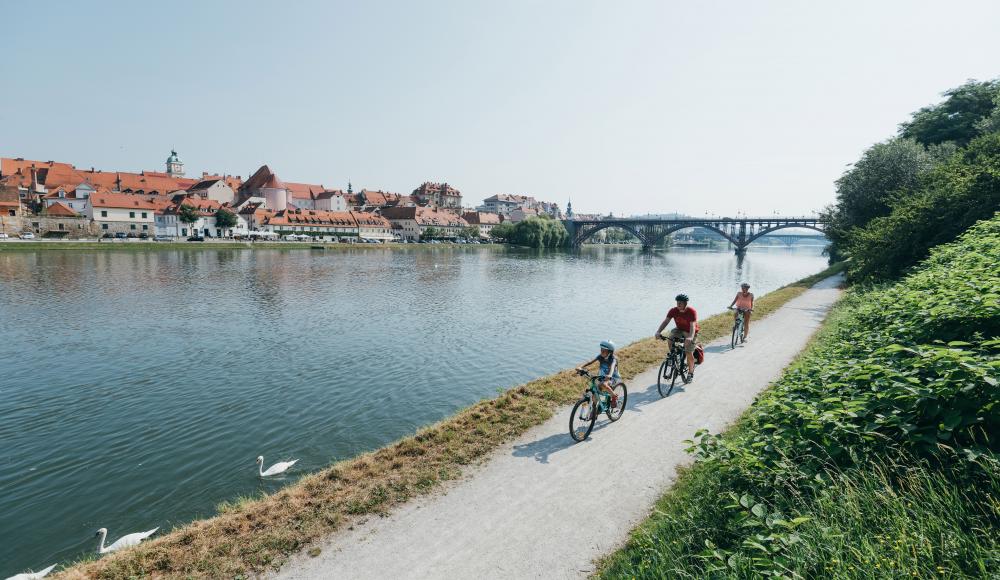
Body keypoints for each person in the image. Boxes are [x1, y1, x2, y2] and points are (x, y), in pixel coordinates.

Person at [654, 293, 699, 383]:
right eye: (677, 302)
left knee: (688, 352)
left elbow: (692, 326)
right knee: (670, 339)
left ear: (685, 303)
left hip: (690, 332)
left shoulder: (691, 311)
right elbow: (666, 321)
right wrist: (658, 331)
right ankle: (673, 356)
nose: (678, 304)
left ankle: (690, 373)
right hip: (679, 329)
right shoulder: (673, 311)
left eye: (681, 303)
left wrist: (690, 337)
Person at [576, 340, 621, 409]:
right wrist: (581, 367)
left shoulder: (613, 359)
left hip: (613, 378)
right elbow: (590, 362)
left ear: (610, 352)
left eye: (604, 350)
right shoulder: (600, 357)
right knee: (594, 392)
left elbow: (612, 367)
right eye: (601, 350)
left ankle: (614, 396)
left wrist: (609, 375)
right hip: (602, 377)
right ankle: (594, 412)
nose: (601, 352)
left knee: (603, 385)